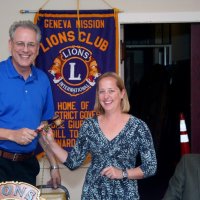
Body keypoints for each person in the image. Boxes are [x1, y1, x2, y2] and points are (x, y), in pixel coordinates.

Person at [41, 71, 157, 199]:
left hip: (125, 195)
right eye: (102, 91)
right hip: (93, 194)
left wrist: (122, 173)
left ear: (122, 93)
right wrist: (51, 142)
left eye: (111, 91)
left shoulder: (138, 127)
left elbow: (150, 167)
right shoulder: (89, 125)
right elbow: (73, 162)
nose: (106, 96)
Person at [0, 20, 61, 187]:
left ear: (38, 48)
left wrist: (54, 164)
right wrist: (11, 134)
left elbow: (43, 126)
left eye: (31, 45)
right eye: (20, 43)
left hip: (28, 167)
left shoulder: (42, 80)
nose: (25, 50)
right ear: (10, 44)